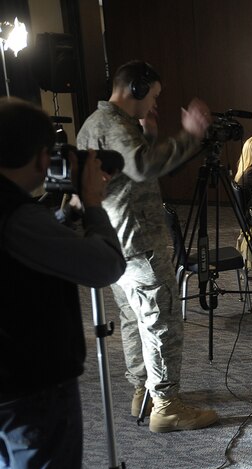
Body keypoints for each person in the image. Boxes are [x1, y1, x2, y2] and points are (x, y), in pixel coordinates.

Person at [0, 97, 126, 469]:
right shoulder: (16, 216)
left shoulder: (16, 213)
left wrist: (61, 215)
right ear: (42, 158)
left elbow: (22, 251)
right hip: (30, 385)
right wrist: (92, 204)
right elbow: (105, 266)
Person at [77, 60, 219, 432]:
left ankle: (143, 390)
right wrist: (190, 135)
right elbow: (141, 167)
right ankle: (167, 406)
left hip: (115, 240)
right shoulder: (114, 124)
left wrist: (151, 137)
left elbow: (125, 174)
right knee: (161, 321)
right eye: (153, 95)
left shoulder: (94, 123)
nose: (154, 103)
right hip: (140, 242)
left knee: (134, 317)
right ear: (136, 89)